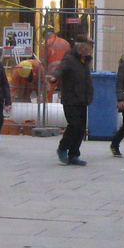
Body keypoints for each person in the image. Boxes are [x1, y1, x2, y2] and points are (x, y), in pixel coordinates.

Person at [51, 38, 93, 166]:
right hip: (71, 98)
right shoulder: (69, 58)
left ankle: (74, 154)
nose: (90, 49)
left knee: (81, 129)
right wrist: (54, 78)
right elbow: (60, 69)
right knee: (74, 125)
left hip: (83, 98)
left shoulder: (85, 60)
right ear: (81, 47)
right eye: (89, 47)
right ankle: (62, 148)